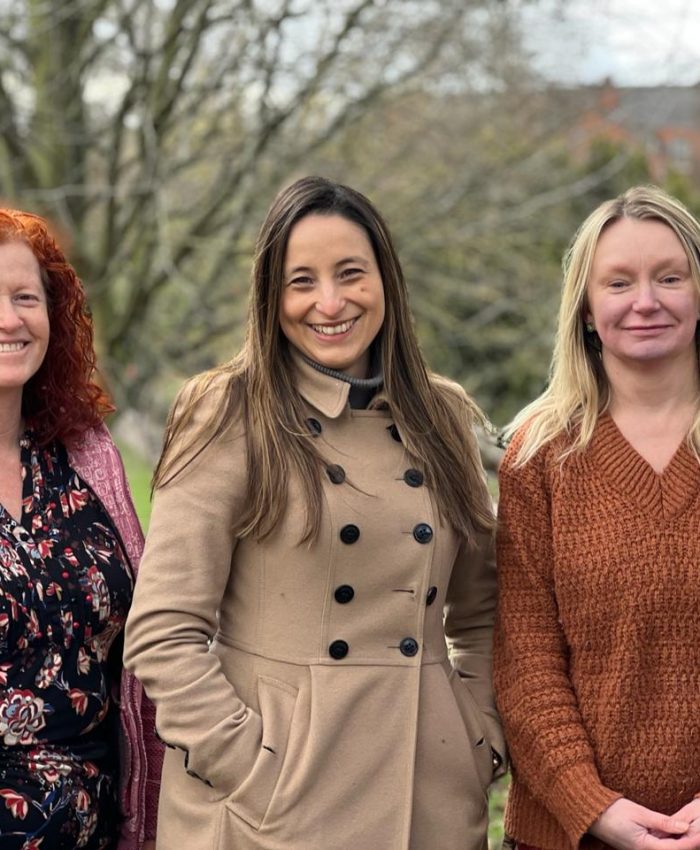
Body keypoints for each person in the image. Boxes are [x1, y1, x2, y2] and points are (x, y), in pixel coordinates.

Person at [123, 175, 505, 850]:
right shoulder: (229, 410)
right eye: (302, 281)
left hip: (429, 799)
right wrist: (251, 768)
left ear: (386, 279)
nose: (329, 302)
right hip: (270, 814)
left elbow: (483, 616)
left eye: (350, 274)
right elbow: (163, 632)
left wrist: (476, 738)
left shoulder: (441, 416)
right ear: (272, 298)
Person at [493, 185, 700, 850]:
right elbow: (525, 661)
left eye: (670, 277)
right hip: (570, 833)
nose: (646, 301)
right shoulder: (538, 455)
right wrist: (592, 805)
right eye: (619, 282)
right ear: (585, 307)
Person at [0, 208, 161, 849]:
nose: (10, 320)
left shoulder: (85, 454)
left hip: (96, 824)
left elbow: (143, 640)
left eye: (25, 298)